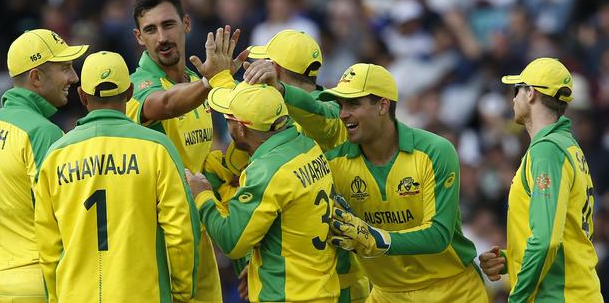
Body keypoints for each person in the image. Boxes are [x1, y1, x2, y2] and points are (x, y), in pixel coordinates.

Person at [34, 51, 200, 302]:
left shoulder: (55, 156)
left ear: (82, 96)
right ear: (130, 92)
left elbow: (48, 249)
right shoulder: (158, 148)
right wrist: (182, 291)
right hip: (143, 294)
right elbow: (181, 233)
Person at [316, 63, 486, 302]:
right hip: (387, 294)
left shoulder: (435, 151)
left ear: (383, 105)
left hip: (453, 290)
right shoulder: (333, 162)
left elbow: (438, 235)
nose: (343, 114)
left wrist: (376, 238)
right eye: (341, 105)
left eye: (354, 104)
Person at [126, 0, 244, 302]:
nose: (161, 37)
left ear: (186, 24)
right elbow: (164, 104)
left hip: (201, 235)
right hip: (161, 244)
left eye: (168, 25)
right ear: (139, 38)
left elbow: (204, 169)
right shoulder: (138, 85)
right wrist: (211, 82)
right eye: (150, 30)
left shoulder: (195, 83)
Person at [186, 82, 340, 302]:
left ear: (240, 128)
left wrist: (203, 195)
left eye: (228, 120)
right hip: (322, 290)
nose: (227, 125)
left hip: (287, 296)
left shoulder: (266, 171)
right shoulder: (308, 146)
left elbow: (232, 241)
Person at [243, 30, 368, 302]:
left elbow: (322, 115)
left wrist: (281, 90)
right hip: (298, 280)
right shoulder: (281, 113)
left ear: (274, 68)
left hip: (339, 284)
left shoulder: (335, 111)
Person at [0, 29, 87, 302]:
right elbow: (68, 217)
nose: (74, 77)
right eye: (65, 68)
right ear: (36, 77)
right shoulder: (43, 132)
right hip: (41, 285)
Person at [479, 57, 603, 302]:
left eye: (517, 90)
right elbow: (563, 233)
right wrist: (509, 260)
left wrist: (517, 298)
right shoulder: (567, 147)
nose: (513, 98)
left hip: (559, 297)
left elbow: (546, 241)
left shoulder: (547, 151)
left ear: (531, 93)